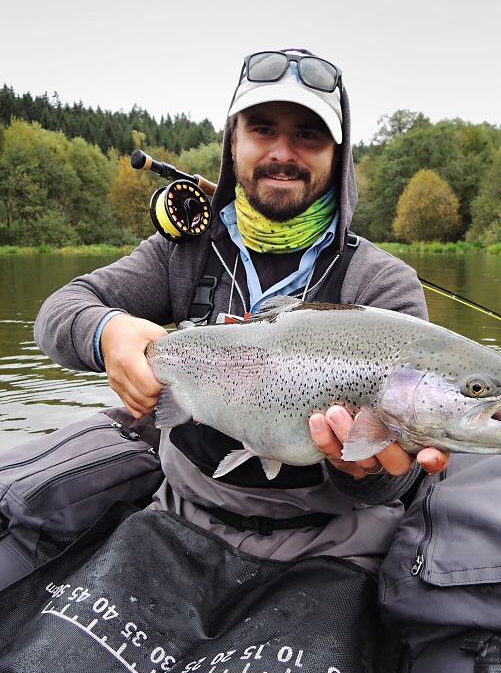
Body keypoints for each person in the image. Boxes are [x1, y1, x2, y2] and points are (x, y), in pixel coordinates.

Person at [34, 48, 448, 576]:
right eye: (262, 129)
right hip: (181, 517)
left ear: (337, 156)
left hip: (330, 543)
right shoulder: (181, 252)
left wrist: (362, 469)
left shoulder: (382, 282)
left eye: (308, 134)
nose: (283, 152)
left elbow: (397, 482)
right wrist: (108, 332)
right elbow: (59, 312)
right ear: (234, 142)